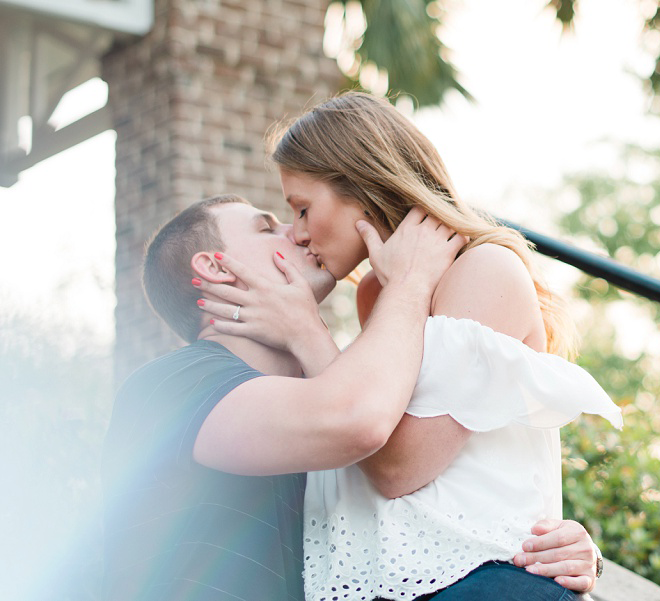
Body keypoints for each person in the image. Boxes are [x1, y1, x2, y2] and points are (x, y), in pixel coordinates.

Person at [199, 91, 623, 601]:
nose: (300, 234)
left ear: (360, 183)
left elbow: (401, 468)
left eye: (304, 208)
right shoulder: (378, 293)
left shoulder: (484, 268)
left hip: (485, 582)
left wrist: (305, 329)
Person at [102, 194, 601, 601]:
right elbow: (359, 424)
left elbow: (408, 510)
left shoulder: (313, 408)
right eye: (267, 226)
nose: (297, 233)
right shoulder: (170, 387)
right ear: (214, 267)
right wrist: (411, 280)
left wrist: (559, 547)